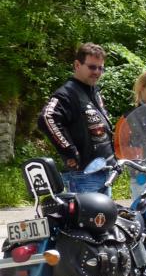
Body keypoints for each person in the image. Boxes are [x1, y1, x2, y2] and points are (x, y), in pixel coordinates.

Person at [37, 42, 114, 195]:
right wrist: (70, 151)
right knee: (88, 212)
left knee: (105, 212)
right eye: (92, 67)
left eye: (101, 68)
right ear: (77, 65)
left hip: (103, 171)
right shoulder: (67, 93)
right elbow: (46, 118)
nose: (97, 72)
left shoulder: (93, 92)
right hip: (83, 175)